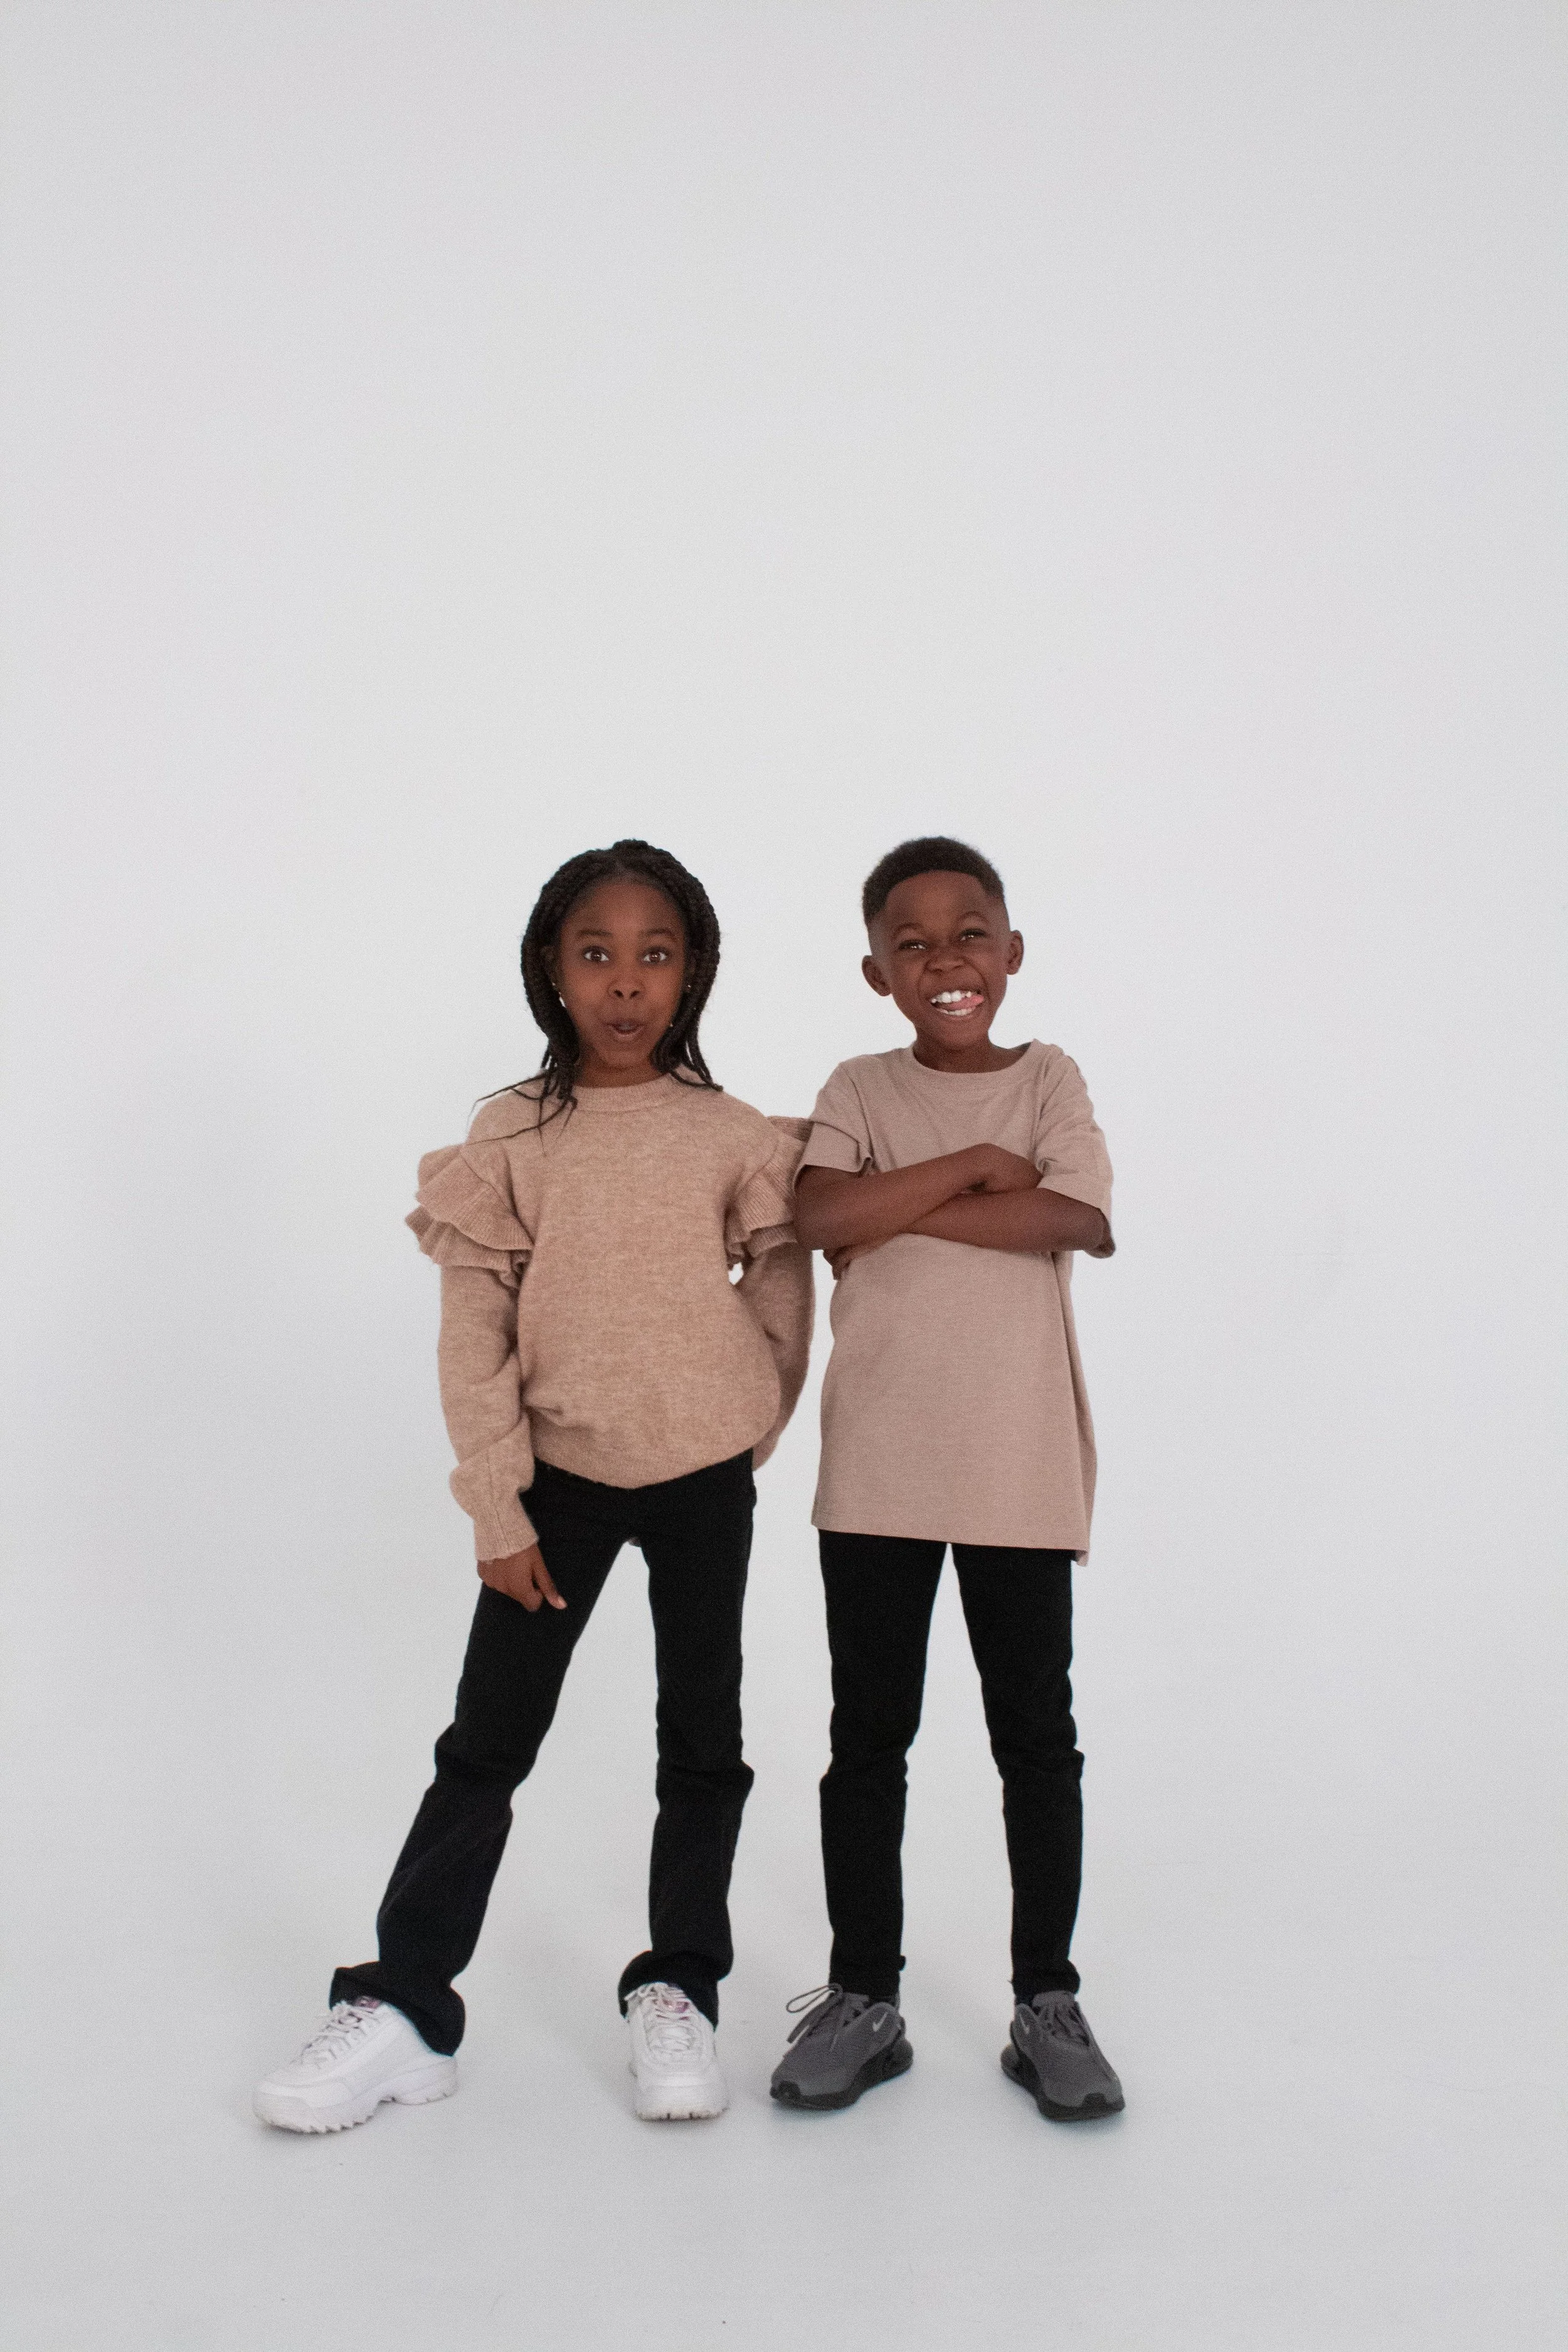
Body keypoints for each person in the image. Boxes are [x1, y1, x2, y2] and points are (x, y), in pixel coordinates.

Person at [255, 840, 812, 2132]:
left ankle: (677, 1989)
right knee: (486, 1743)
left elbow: (781, 1285)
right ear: (551, 971)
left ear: (695, 974)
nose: (625, 983)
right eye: (596, 954)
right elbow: (474, 1332)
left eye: (654, 956)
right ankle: (403, 2007)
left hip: (700, 1482)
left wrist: (749, 1415)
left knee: (704, 1741)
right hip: (556, 1483)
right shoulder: (512, 1133)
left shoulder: (732, 1135)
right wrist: (495, 1508)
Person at [769, 835, 1124, 2122]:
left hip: (1017, 1467)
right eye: (909, 943)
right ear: (876, 972)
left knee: (1035, 1740)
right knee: (868, 1740)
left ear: (1010, 951)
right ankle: (863, 1999)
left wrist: (891, 1205)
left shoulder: (1048, 1079)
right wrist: (973, 1171)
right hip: (876, 1470)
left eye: (967, 932)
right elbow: (815, 1218)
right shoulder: (857, 1083)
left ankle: (1047, 2001)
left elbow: (1072, 1218)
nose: (943, 960)